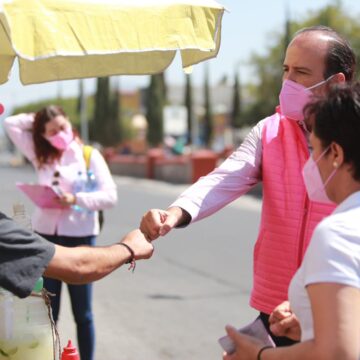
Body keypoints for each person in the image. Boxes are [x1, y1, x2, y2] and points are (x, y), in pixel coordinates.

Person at [140, 26, 356, 346]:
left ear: (336, 82)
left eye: (301, 72)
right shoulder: (270, 131)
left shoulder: (354, 138)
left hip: (341, 304)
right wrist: (176, 212)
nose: (288, 82)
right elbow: (225, 177)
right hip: (275, 309)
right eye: (285, 70)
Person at [222, 82, 360, 360]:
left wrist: (260, 355)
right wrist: (315, 326)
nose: (309, 163)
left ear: (335, 154)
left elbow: (339, 353)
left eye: (314, 150)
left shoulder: (338, 233)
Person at [4, 105, 117, 360]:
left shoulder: (89, 155)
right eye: (52, 131)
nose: (59, 134)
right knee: (48, 310)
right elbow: (11, 123)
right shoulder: (40, 155)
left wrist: (76, 198)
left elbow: (110, 196)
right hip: (45, 237)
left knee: (83, 313)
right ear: (42, 135)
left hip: (80, 238)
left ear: (70, 123)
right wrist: (40, 118)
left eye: (62, 127)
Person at [0, 215, 154, 298]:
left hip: (79, 237)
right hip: (56, 246)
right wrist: (129, 247)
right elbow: (78, 266)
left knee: (83, 314)